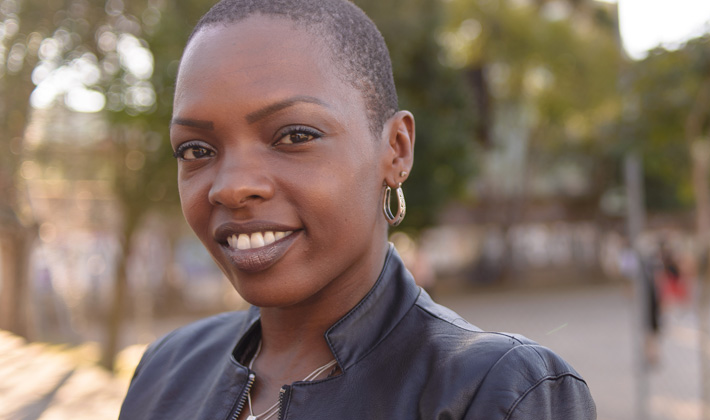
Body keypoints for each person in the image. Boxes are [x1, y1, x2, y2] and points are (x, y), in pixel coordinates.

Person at [118, 0, 596, 419]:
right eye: (196, 150)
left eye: (294, 136)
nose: (232, 188)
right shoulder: (167, 371)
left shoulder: (492, 390)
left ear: (396, 149)